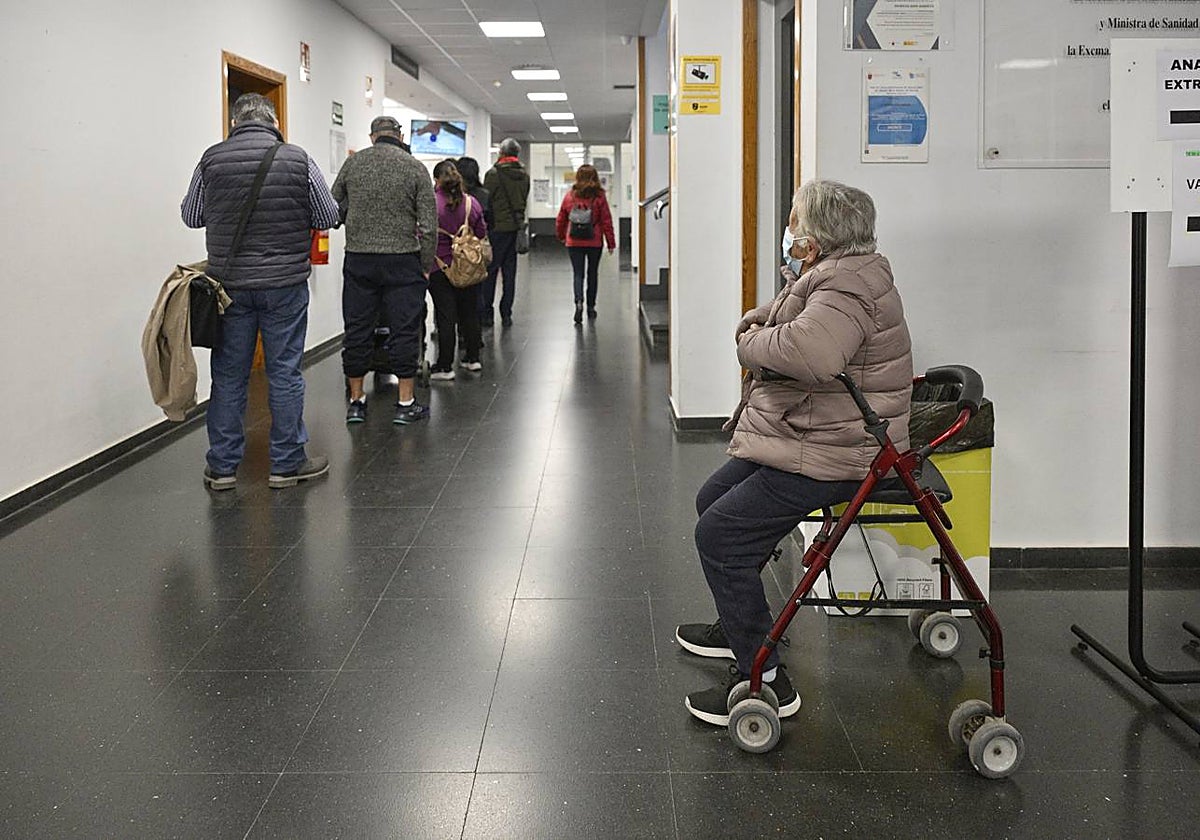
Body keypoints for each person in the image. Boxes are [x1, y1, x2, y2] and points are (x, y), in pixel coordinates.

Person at [673, 180, 913, 727]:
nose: (788, 230)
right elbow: (804, 322)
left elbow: (815, 351)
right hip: (818, 434)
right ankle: (737, 625)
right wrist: (766, 320)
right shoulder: (841, 274)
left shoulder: (847, 285)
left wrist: (747, 342)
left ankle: (765, 676)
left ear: (818, 234)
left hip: (839, 450)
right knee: (713, 497)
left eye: (794, 220)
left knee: (720, 533)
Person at [181, 92, 339, 491]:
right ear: (273, 121)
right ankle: (286, 464)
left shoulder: (211, 159)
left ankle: (221, 468)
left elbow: (191, 215)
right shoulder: (298, 159)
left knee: (229, 375)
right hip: (285, 286)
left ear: (234, 122)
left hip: (230, 287)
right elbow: (328, 215)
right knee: (284, 372)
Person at [331, 115, 437, 425]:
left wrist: (354, 216)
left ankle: (356, 401)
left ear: (372, 136)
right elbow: (429, 226)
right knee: (404, 328)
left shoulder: (354, 164)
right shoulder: (415, 167)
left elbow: (334, 207)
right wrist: (426, 265)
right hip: (403, 260)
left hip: (360, 259)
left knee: (357, 328)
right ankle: (405, 402)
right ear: (400, 135)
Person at [428, 160, 488, 380]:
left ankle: (445, 366)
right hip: (468, 266)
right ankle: (472, 359)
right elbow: (481, 232)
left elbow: (421, 234)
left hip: (439, 267)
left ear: (436, 180)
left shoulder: (431, 203)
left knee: (446, 316)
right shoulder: (472, 203)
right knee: (470, 313)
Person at [555, 164, 616, 323]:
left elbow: (561, 218)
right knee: (592, 274)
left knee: (578, 273)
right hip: (594, 241)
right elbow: (606, 220)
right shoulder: (599, 196)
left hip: (574, 241)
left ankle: (579, 302)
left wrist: (562, 235)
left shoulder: (570, 195)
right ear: (595, 177)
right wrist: (610, 242)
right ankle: (591, 307)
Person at [480, 138, 530, 327]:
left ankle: (487, 312)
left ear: (501, 152)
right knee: (510, 273)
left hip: (496, 229)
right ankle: (506, 312)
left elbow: (486, 200)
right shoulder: (524, 175)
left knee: (491, 272)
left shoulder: (493, 174)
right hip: (515, 229)